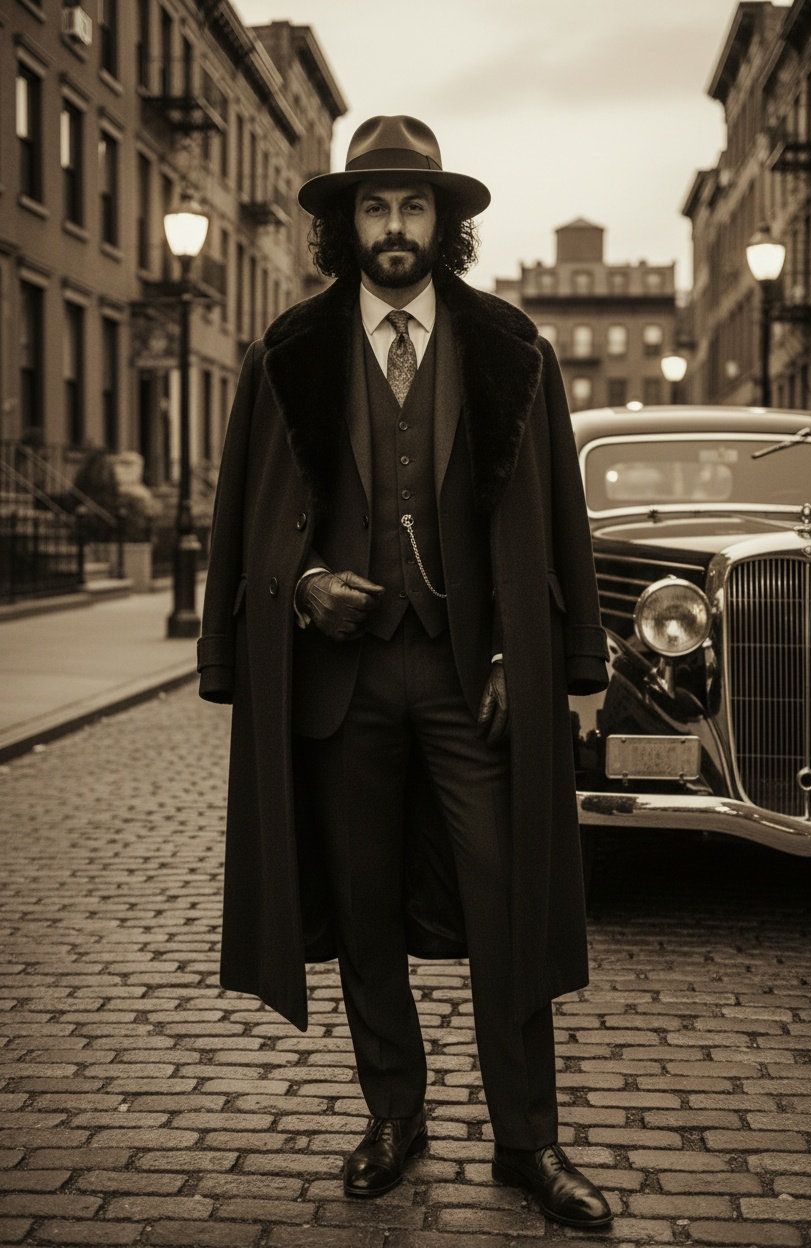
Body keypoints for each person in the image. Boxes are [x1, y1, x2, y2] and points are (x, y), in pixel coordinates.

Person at [196, 114, 613, 1230]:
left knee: (509, 902)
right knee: (365, 910)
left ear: (445, 222)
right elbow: (244, 521)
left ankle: (529, 1142)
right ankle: (396, 1114)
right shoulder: (287, 349)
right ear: (344, 225)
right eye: (373, 208)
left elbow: (557, 516)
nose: (393, 227)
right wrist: (299, 591)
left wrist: (563, 659)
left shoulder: (511, 348)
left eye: (413, 205)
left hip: (473, 677)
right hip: (342, 689)